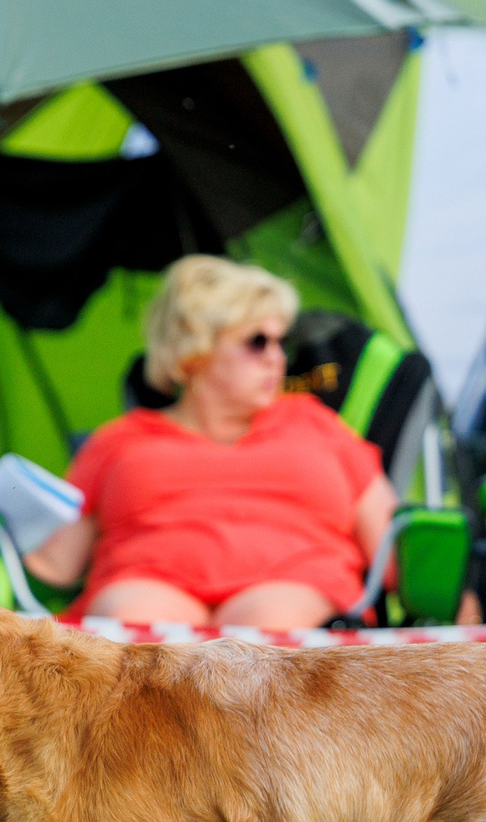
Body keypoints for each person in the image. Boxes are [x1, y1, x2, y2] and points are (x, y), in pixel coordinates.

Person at [25, 255, 398, 632]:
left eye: (280, 341)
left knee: (270, 623)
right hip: (142, 604)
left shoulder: (317, 424)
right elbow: (56, 563)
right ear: (195, 348)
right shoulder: (118, 441)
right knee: (136, 618)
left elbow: (399, 545)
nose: (277, 358)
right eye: (257, 341)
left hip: (295, 605)